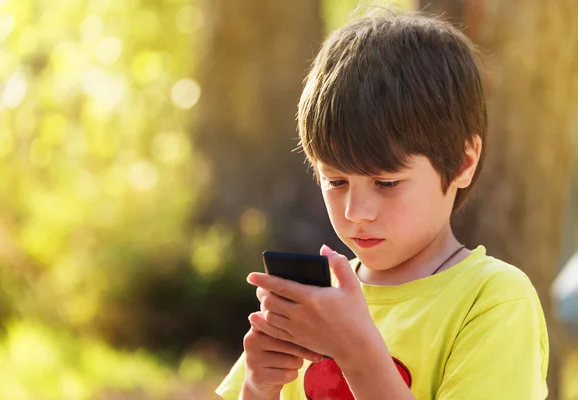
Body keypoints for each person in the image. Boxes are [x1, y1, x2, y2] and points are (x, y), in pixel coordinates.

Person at [216, 9, 549, 400]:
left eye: (386, 182)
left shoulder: (493, 299)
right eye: (336, 181)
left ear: (463, 162)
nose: (356, 211)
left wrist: (356, 353)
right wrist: (258, 386)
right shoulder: (319, 303)